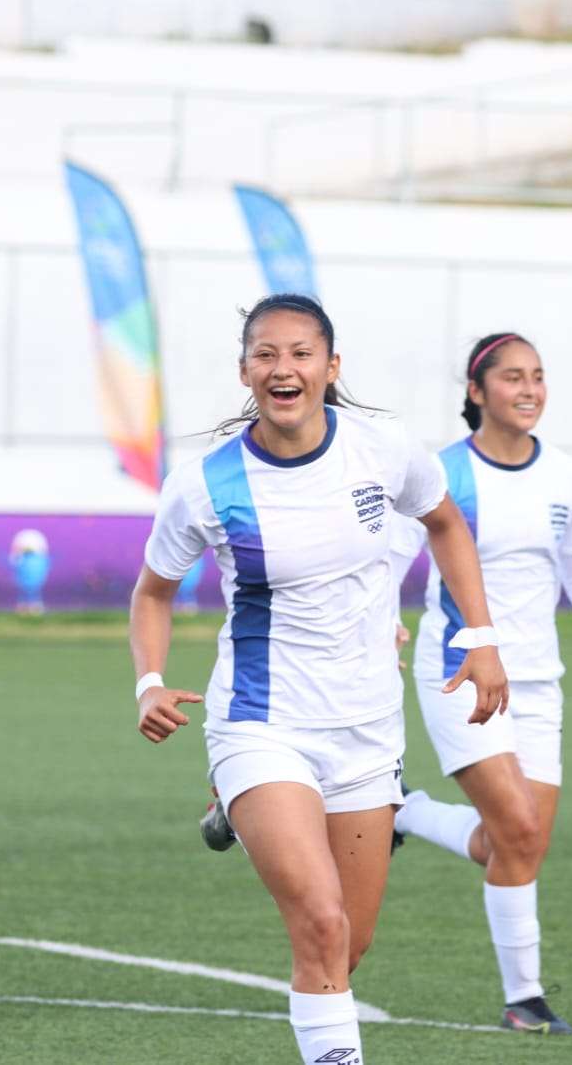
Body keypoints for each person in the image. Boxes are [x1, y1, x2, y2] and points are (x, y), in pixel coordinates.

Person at [130, 294, 509, 1065]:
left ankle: (241, 816)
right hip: (261, 725)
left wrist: (481, 637)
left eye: (301, 353)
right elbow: (153, 592)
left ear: (331, 368)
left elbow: (445, 525)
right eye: (266, 354)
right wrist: (150, 681)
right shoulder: (205, 486)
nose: (284, 368)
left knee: (346, 950)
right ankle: (246, 797)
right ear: (245, 371)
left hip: (366, 733)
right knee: (321, 925)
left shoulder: (385, 450)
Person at [390, 331, 572, 1034]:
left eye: (538, 377)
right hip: (459, 674)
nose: (528, 389)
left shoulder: (567, 479)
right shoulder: (442, 474)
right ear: (475, 390)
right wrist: (380, 623)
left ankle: (403, 812)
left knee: (512, 846)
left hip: (539, 685)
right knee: (516, 828)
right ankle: (525, 1000)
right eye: (512, 377)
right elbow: (388, 554)